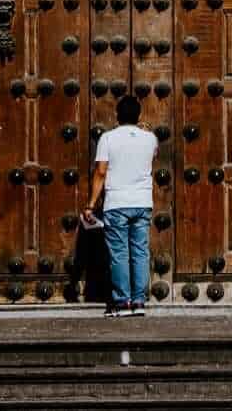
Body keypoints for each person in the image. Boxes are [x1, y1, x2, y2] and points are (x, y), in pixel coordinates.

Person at [85, 91, 157, 316]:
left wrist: (91, 203)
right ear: (139, 115)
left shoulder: (108, 138)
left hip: (117, 202)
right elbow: (152, 158)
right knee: (140, 252)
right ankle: (138, 302)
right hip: (142, 202)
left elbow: (101, 172)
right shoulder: (151, 138)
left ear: (117, 114)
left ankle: (122, 301)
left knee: (119, 253)